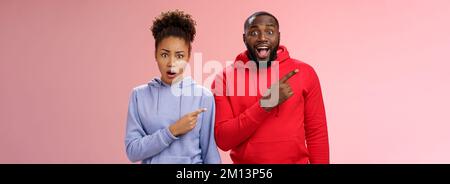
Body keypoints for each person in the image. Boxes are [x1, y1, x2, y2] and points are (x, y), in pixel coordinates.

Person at [212, 11, 329, 164]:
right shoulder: (224, 78)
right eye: (254, 32)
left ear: (278, 36)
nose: (262, 38)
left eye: (269, 31)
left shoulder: (305, 72)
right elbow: (223, 140)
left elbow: (316, 133)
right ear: (244, 38)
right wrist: (265, 104)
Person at [125, 10, 221, 164]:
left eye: (179, 56)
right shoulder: (139, 95)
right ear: (155, 54)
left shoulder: (203, 97)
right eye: (164, 54)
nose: (171, 63)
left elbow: (210, 155)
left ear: (189, 56)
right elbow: (132, 151)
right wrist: (173, 130)